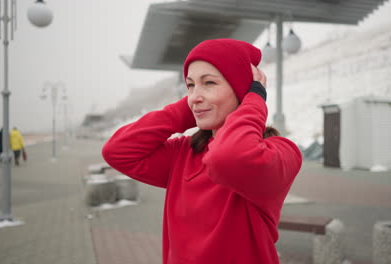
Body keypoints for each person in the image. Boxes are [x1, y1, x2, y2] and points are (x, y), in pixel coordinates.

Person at [102, 38, 302, 264]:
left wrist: (254, 100)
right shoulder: (183, 153)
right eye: (190, 85)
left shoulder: (281, 152)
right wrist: (191, 108)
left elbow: (228, 158)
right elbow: (117, 151)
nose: (195, 95)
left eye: (209, 83)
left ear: (242, 91)